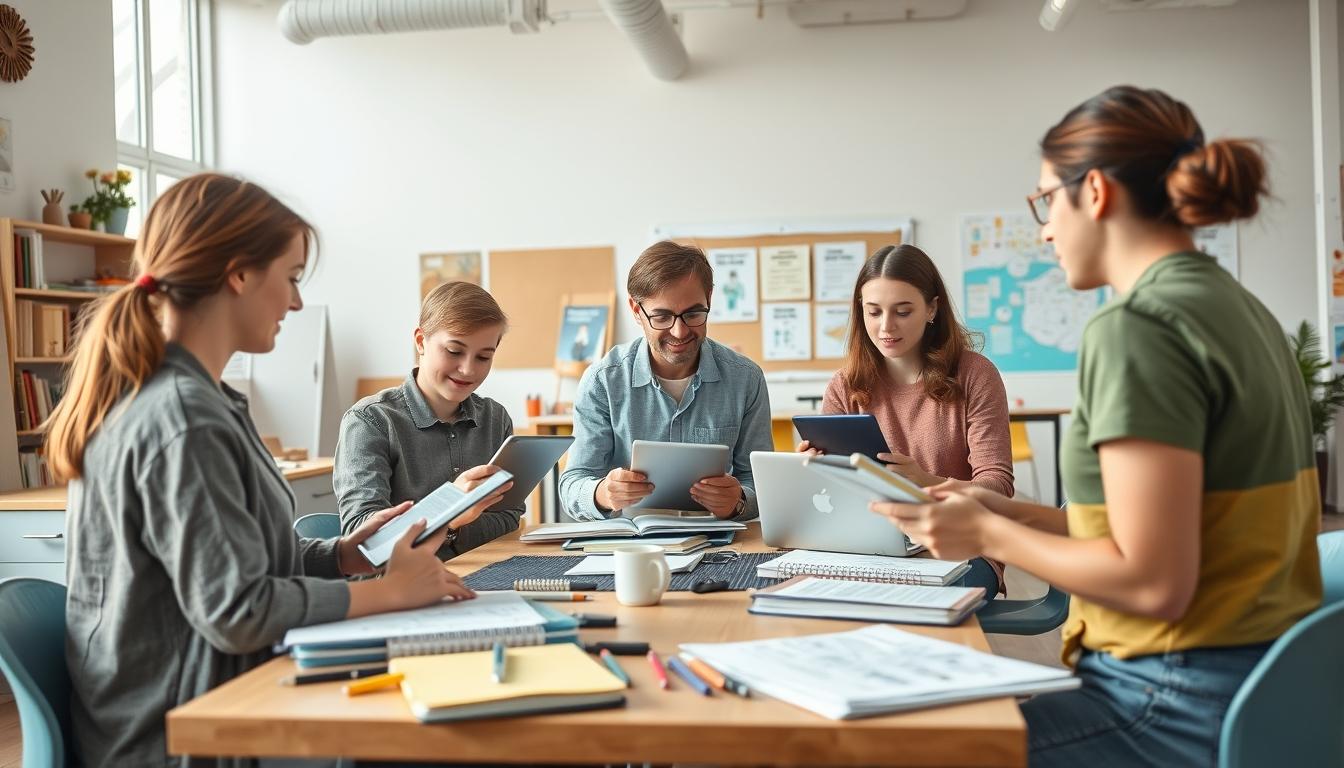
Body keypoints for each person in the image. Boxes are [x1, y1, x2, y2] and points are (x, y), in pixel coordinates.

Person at [872, 86, 1322, 766]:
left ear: (1098, 193)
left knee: (896, 750)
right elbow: (1156, 533)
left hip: (1167, 695)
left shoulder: (1137, 327)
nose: (1046, 229)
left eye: (1046, 201)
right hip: (1259, 685)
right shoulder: (1241, 309)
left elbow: (1151, 581)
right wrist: (1007, 510)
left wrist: (988, 533)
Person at [50, 174, 483, 767]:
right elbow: (237, 610)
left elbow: (227, 565)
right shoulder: (185, 418)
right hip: (183, 735)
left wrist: (344, 557)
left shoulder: (199, 400)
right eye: (292, 277)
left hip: (214, 700)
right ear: (239, 274)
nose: (297, 302)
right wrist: (388, 592)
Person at [800, 243, 1013, 598]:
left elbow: (998, 486)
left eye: (902, 311)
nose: (886, 326)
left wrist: (923, 482)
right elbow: (832, 501)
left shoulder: (975, 375)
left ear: (932, 309)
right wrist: (815, 472)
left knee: (904, 600)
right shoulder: (845, 385)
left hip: (961, 546)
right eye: (873, 312)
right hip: (871, 548)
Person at [559, 240, 774, 520]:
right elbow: (573, 483)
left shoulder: (746, 379)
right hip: (630, 547)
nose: (680, 331)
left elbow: (762, 482)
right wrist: (602, 493)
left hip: (718, 546)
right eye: (661, 316)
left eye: (693, 314)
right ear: (637, 311)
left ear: (709, 298)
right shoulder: (603, 381)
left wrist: (739, 501)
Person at [335, 280, 518, 559]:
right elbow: (363, 539)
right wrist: (451, 513)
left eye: (483, 357)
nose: (468, 369)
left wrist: (454, 527)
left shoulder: (495, 419)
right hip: (396, 589)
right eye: (454, 351)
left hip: (478, 577)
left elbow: (508, 520)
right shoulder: (370, 422)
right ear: (421, 341)